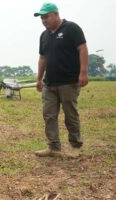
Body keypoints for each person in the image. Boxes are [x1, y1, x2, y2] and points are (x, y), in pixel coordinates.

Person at [34, 3, 88, 157]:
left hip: (69, 82)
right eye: (42, 18)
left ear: (56, 14)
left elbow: (82, 49)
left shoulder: (71, 28)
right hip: (49, 83)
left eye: (46, 17)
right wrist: (39, 79)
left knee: (70, 115)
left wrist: (83, 72)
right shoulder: (44, 35)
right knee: (49, 115)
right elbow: (42, 58)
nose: (44, 20)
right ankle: (53, 147)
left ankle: (75, 146)